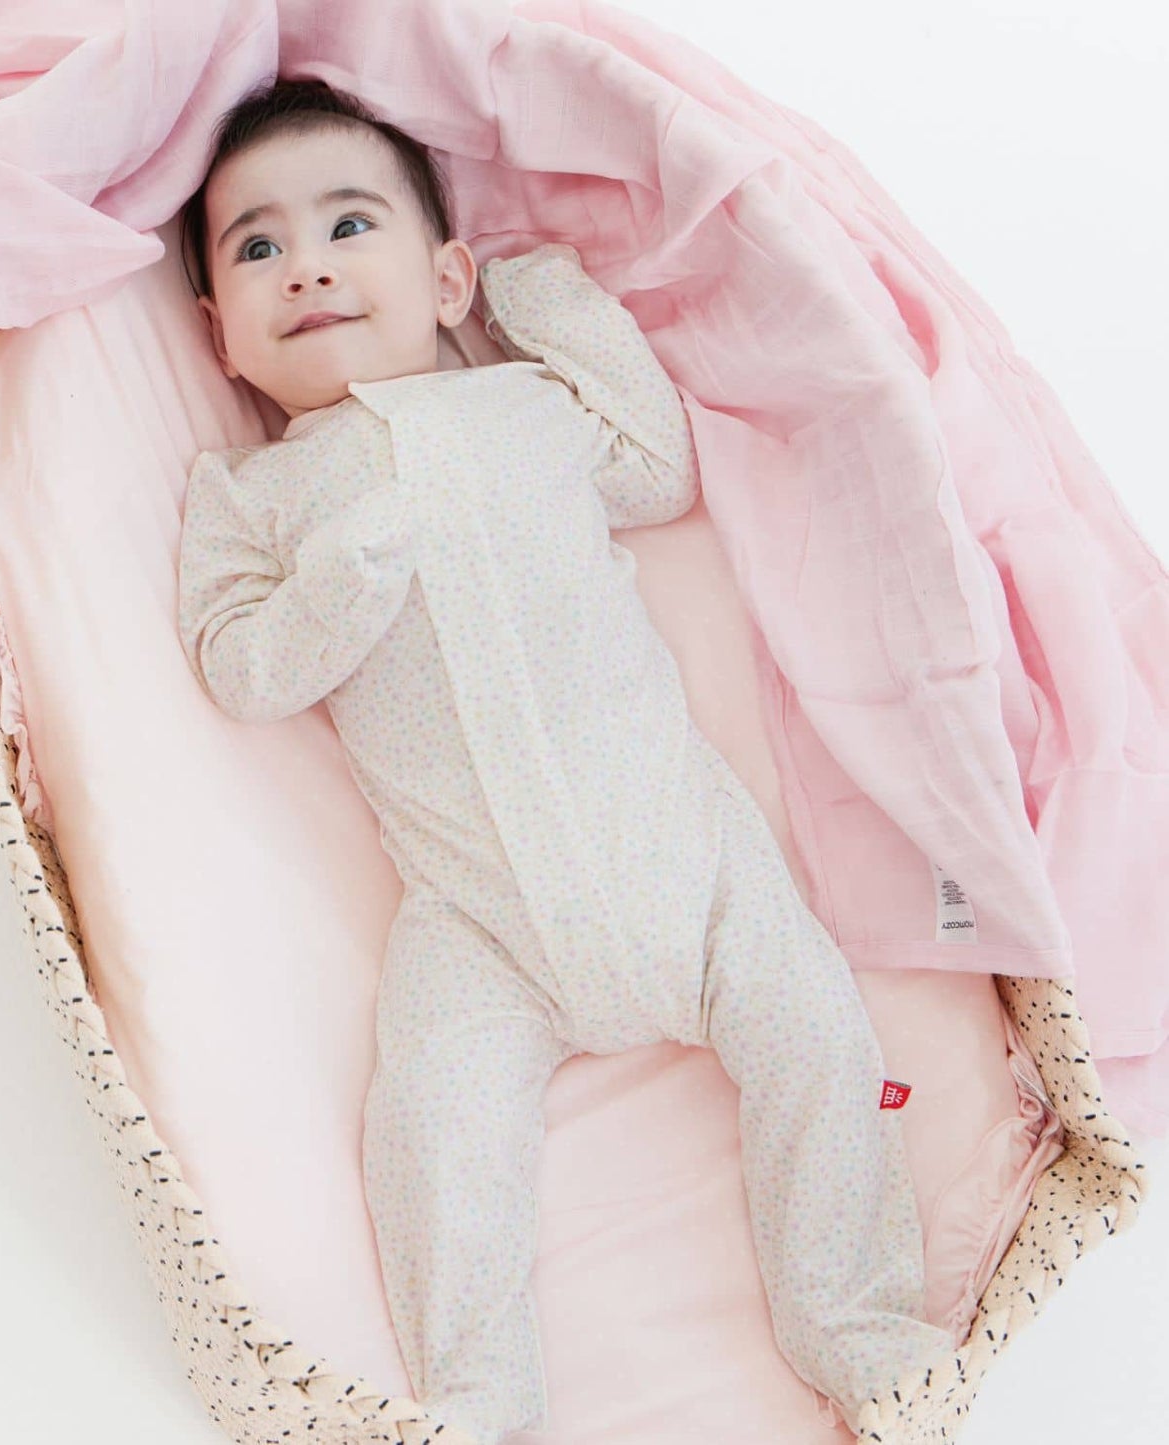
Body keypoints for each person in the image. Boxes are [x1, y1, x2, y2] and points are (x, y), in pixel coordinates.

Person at [175, 75, 957, 1445]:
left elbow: (659, 468)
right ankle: (478, 1393)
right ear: (219, 337)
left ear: (445, 277)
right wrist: (336, 590)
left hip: (683, 849)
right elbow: (240, 668)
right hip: (476, 915)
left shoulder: (531, 405)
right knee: (431, 1128)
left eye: (348, 226)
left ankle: (857, 1326)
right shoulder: (256, 493)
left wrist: (546, 300)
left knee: (819, 1039)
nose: (305, 266)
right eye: (256, 248)